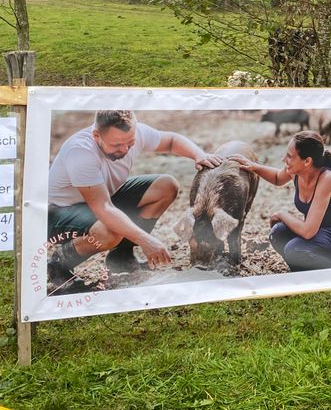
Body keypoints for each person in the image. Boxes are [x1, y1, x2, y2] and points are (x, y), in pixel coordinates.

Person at [47, 110, 223, 288]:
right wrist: (145, 240)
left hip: (102, 196)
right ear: (96, 136)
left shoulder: (134, 133)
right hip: (60, 212)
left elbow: (170, 142)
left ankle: (121, 256)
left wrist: (199, 154)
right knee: (109, 231)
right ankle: (59, 263)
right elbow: (104, 208)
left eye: (130, 143)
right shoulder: (80, 152)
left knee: (165, 186)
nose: (124, 150)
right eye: (116, 145)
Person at [233, 130, 331, 271]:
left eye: (290, 156)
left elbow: (308, 231)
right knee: (278, 233)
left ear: (307, 161)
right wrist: (254, 167)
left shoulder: (327, 178)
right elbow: (278, 178)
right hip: (317, 234)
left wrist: (282, 214)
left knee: (293, 249)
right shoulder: (297, 171)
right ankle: (303, 270)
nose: (284, 160)